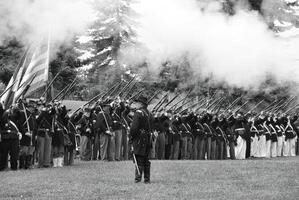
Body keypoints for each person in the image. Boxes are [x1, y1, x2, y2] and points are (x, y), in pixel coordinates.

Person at [129, 95, 153, 183]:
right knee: (146, 159)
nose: (136, 104)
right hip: (147, 138)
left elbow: (134, 128)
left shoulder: (138, 113)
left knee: (139, 158)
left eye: (137, 102)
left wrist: (131, 136)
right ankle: (147, 179)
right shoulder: (149, 113)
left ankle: (138, 179)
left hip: (139, 138)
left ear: (141, 104)